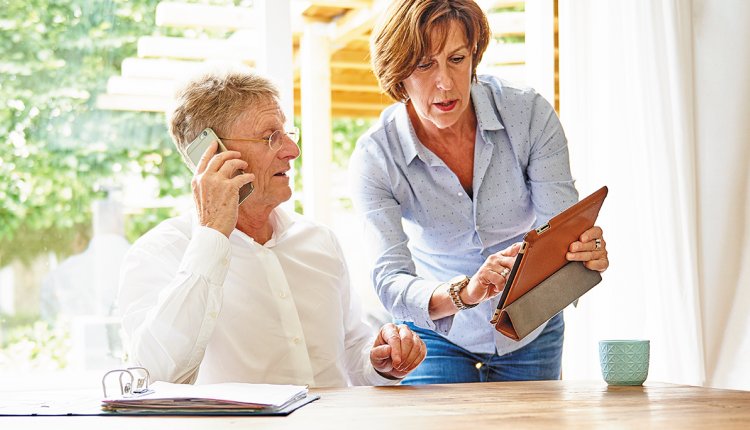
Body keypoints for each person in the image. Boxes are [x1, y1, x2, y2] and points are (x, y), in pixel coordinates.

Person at [349, 0, 609, 384]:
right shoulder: (376, 156)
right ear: (398, 72)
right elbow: (390, 279)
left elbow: (560, 231)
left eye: (456, 58)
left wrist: (581, 256)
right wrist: (465, 293)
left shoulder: (529, 114)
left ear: (474, 54)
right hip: (436, 334)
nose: (446, 83)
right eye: (424, 65)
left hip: (531, 327)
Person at [118, 68, 426, 387]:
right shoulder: (159, 253)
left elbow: (352, 351)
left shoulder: (319, 241)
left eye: (287, 134)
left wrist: (381, 362)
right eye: (270, 138)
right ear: (210, 154)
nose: (292, 151)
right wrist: (211, 238)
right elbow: (153, 376)